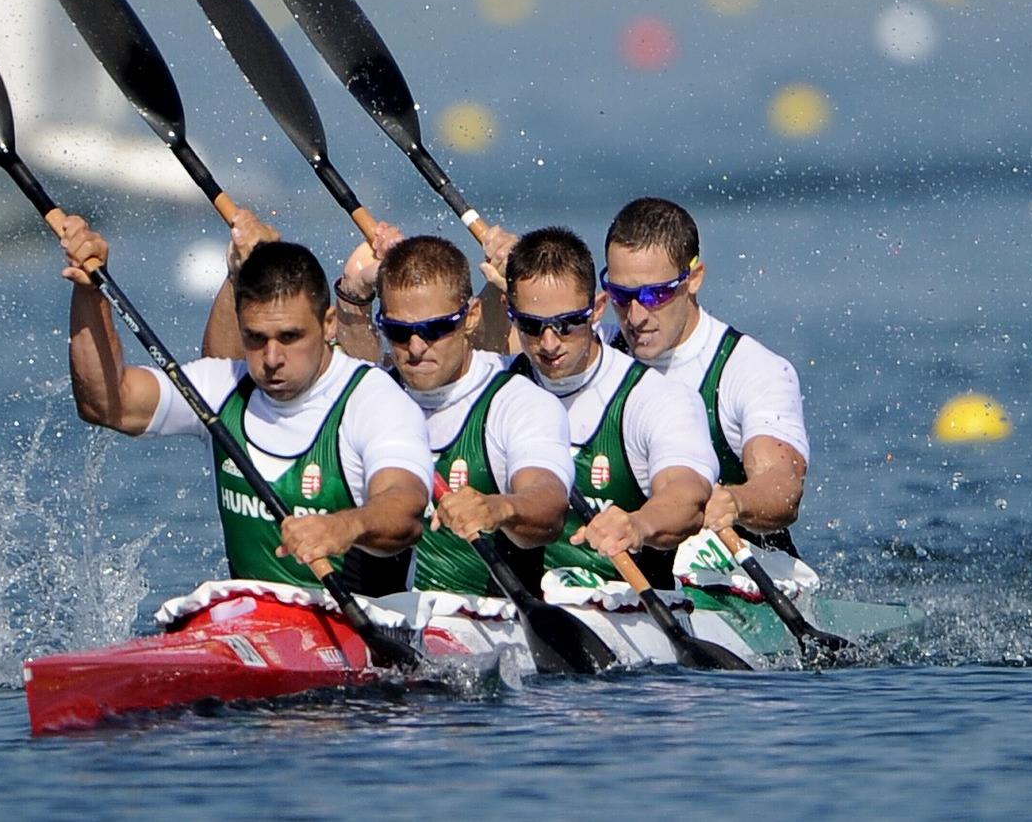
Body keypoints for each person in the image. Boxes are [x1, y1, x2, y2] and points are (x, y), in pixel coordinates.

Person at [53, 209, 430, 596]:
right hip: (252, 628)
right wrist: (89, 291)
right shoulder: (226, 386)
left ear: (329, 323)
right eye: (255, 338)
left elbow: (406, 508)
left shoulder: (373, 399)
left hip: (365, 632)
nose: (270, 358)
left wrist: (344, 527)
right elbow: (106, 405)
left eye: (290, 337)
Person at [335, 228, 572, 597]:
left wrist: (499, 508)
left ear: (472, 316)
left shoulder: (518, 402)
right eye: (398, 331)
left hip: (487, 626)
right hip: (377, 621)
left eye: (435, 329)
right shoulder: (369, 397)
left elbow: (549, 503)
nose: (415, 347)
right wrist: (353, 292)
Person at [490, 226, 719, 589]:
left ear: (596, 309)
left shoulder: (655, 399)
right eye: (532, 326)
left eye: (566, 325)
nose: (549, 344)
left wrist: (638, 525)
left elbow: (686, 495)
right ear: (509, 311)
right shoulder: (492, 386)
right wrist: (362, 301)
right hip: (520, 613)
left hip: (627, 609)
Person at [600, 197, 810, 557]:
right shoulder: (596, 354)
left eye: (655, 294)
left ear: (694, 279)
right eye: (621, 295)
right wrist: (506, 284)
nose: (635, 316)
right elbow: (502, 360)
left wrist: (736, 500)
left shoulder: (750, 370)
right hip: (632, 575)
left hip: (736, 576)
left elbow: (783, 488)